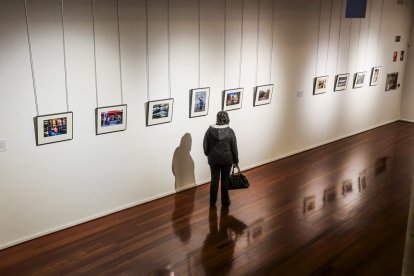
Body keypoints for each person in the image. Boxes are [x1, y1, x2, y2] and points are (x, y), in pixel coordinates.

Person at [203, 111, 239, 207]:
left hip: (213, 159)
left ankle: (212, 201)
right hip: (227, 159)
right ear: (227, 118)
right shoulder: (230, 131)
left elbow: (205, 146)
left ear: (217, 118)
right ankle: (225, 201)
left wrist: (208, 154)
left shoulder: (209, 131)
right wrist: (236, 161)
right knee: (225, 180)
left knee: (214, 179)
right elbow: (234, 148)